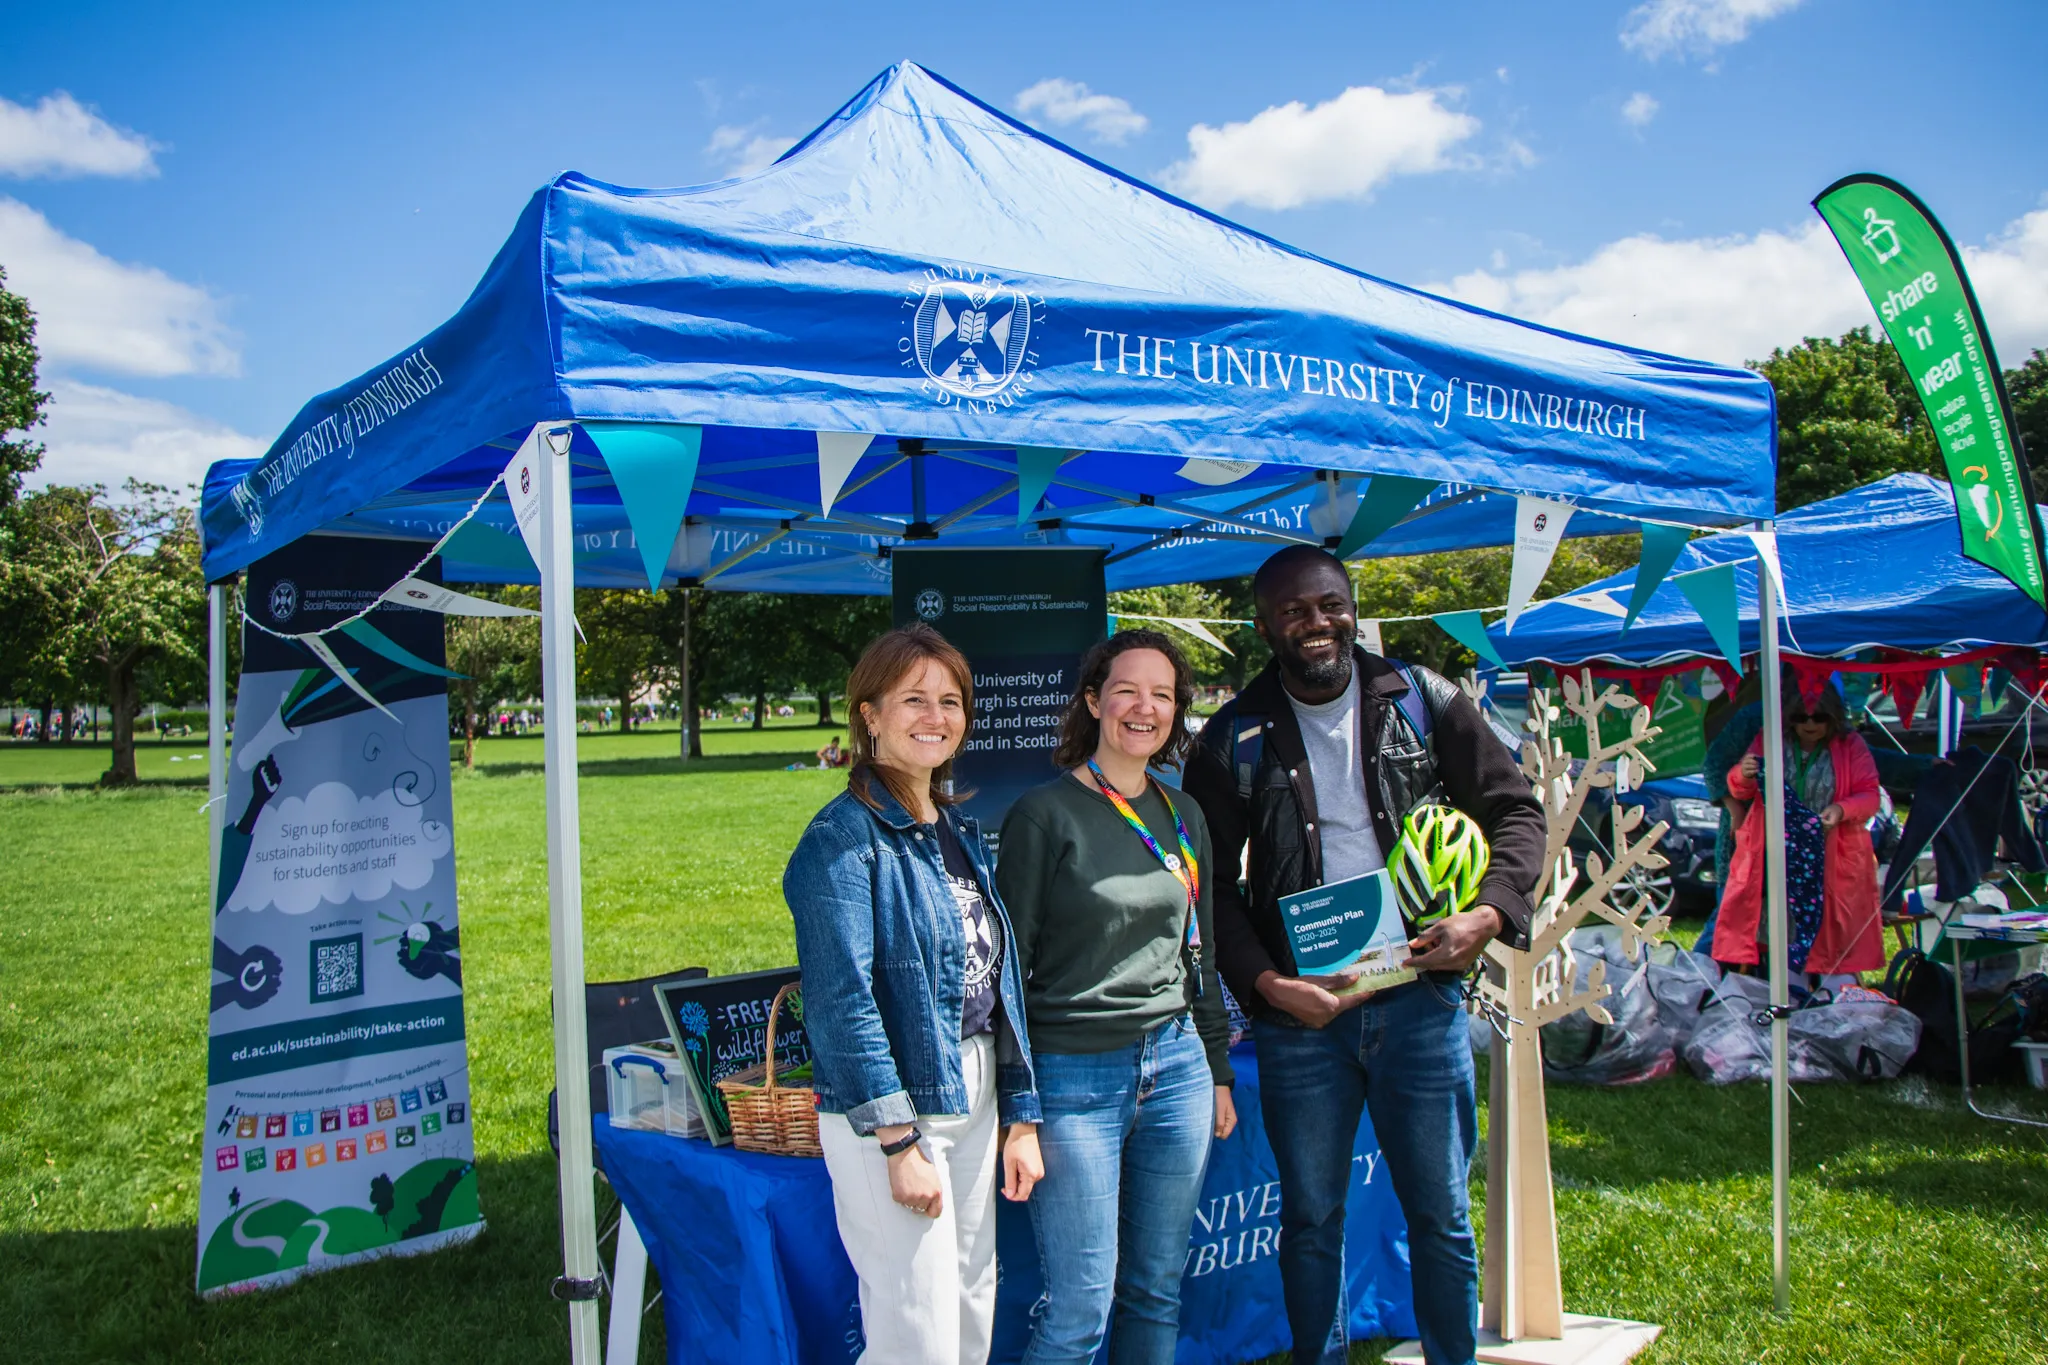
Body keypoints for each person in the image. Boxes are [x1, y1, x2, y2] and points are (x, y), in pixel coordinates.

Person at [1182, 545, 1546, 1365]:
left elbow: (1516, 812)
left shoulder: (1424, 700)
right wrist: (1270, 983)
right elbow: (1212, 891)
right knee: (1311, 1218)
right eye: (1295, 611)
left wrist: (1486, 916)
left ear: (1352, 607)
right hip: (1304, 1018)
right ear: (1265, 625)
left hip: (1421, 1000)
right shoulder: (1234, 736)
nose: (1318, 624)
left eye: (1331, 605)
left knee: (1441, 1212)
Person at [783, 624, 1043, 1365]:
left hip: (975, 1085)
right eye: (914, 699)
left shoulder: (954, 824)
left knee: (967, 1311)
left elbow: (997, 982)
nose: (937, 716)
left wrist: (1019, 1113)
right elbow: (841, 1003)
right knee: (914, 1338)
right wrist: (897, 1139)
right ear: (869, 713)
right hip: (894, 1106)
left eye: (951, 700)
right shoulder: (840, 839)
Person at [997, 630, 1238, 1365]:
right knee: (1079, 1309)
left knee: (1156, 1290)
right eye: (1128, 690)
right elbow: (1007, 975)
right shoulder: (1043, 814)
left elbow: (1200, 950)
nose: (1145, 707)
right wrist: (1020, 1111)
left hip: (1178, 1069)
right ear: (1094, 701)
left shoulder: (1184, 814)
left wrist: (1219, 1069)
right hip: (1074, 1078)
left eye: (1162, 694)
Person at [1717, 683, 1884, 984]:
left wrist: (1841, 810)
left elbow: (1870, 795)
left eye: (1818, 717)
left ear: (1832, 717)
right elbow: (1740, 788)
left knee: (1834, 930)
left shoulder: (1851, 745)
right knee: (1783, 930)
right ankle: (1789, 998)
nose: (1809, 724)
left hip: (1832, 856)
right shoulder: (1769, 740)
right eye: (1800, 717)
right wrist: (1742, 772)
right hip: (1777, 857)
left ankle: (1835, 1000)